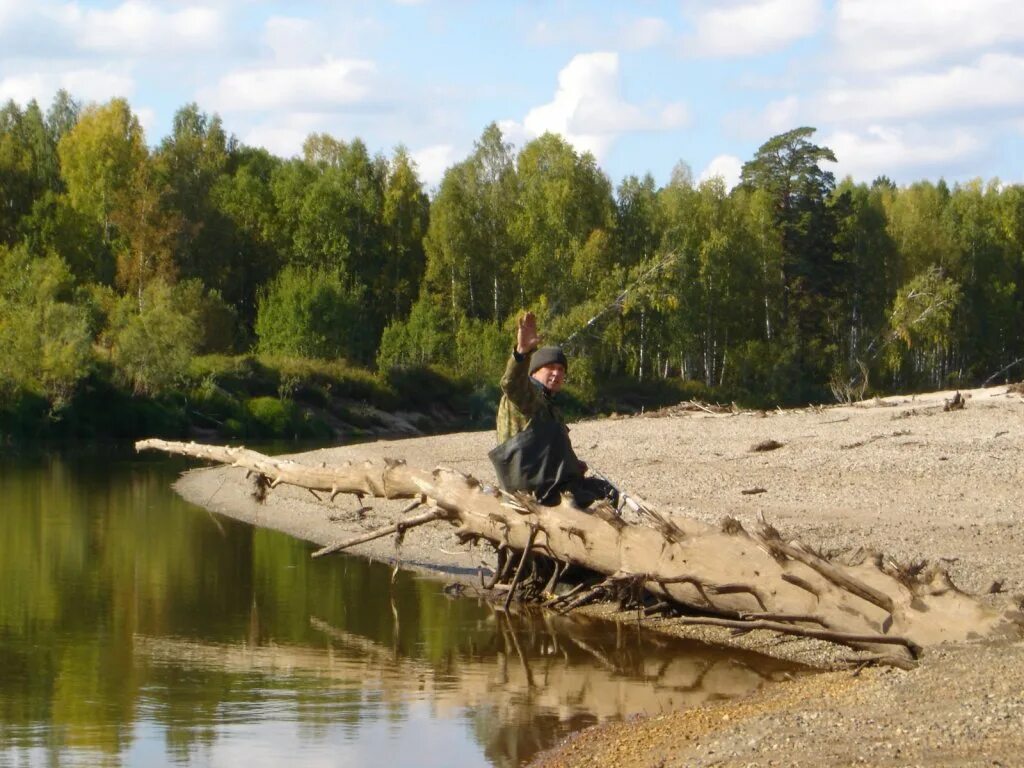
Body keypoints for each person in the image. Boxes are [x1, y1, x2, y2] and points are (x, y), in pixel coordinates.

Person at [488, 312, 617, 508]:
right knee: (584, 502)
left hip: (549, 484)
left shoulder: (550, 406)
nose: (557, 373)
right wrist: (521, 353)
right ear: (534, 371)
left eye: (561, 369)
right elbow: (510, 382)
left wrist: (573, 466)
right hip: (529, 491)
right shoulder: (525, 396)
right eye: (550, 367)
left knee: (606, 492)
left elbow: (548, 452)